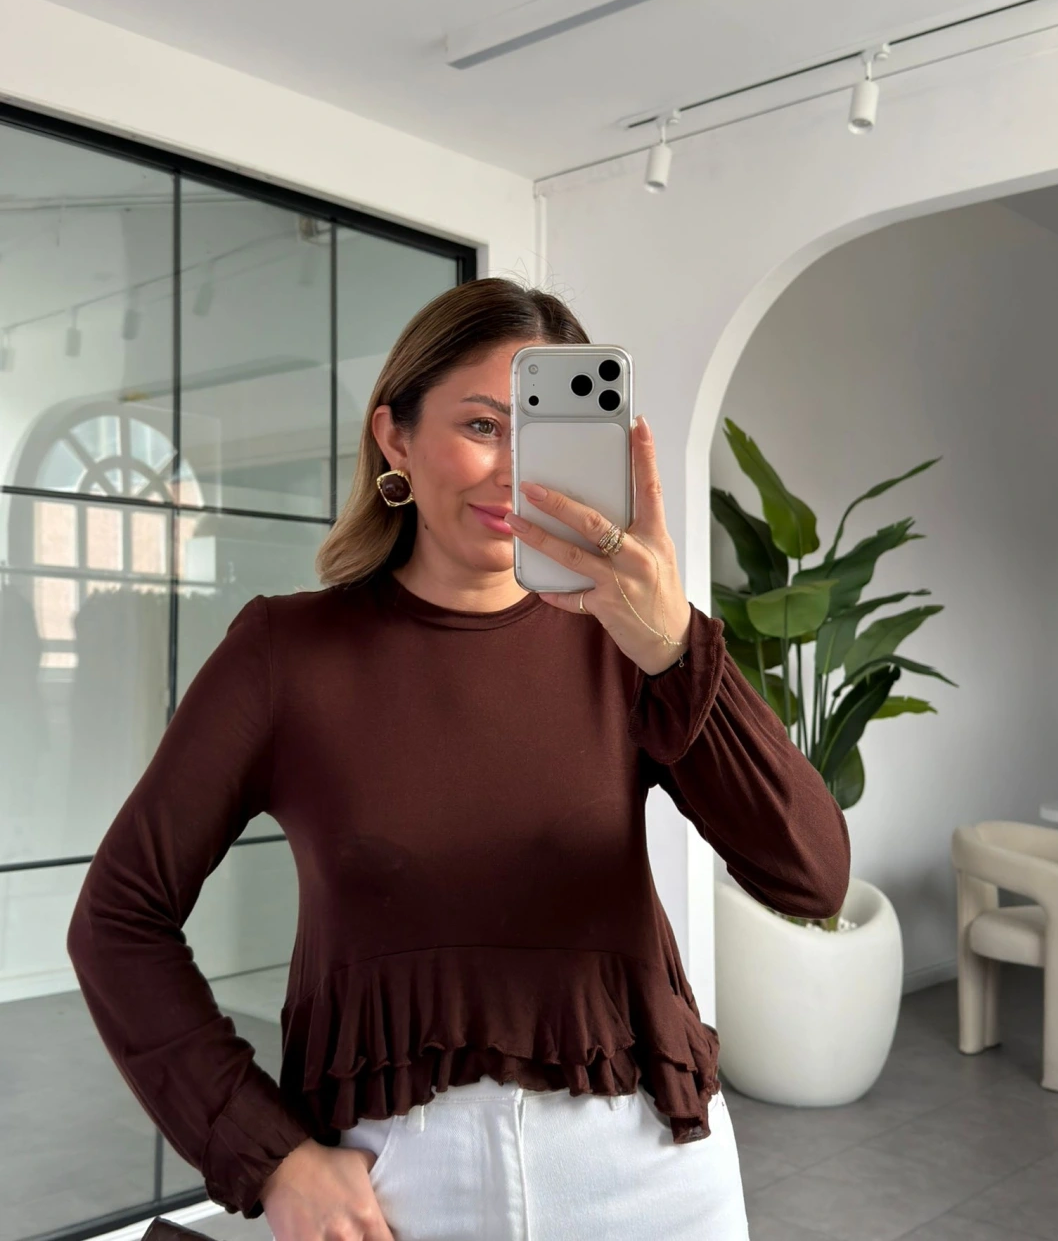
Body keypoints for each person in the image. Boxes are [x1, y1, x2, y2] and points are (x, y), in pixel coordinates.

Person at [67, 276, 851, 1241]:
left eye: (546, 437)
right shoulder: (285, 654)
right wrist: (270, 1157)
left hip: (649, 1166)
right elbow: (117, 919)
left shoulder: (633, 642)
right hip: (395, 1186)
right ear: (394, 437)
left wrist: (676, 649)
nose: (515, 472)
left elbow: (812, 878)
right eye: (483, 425)